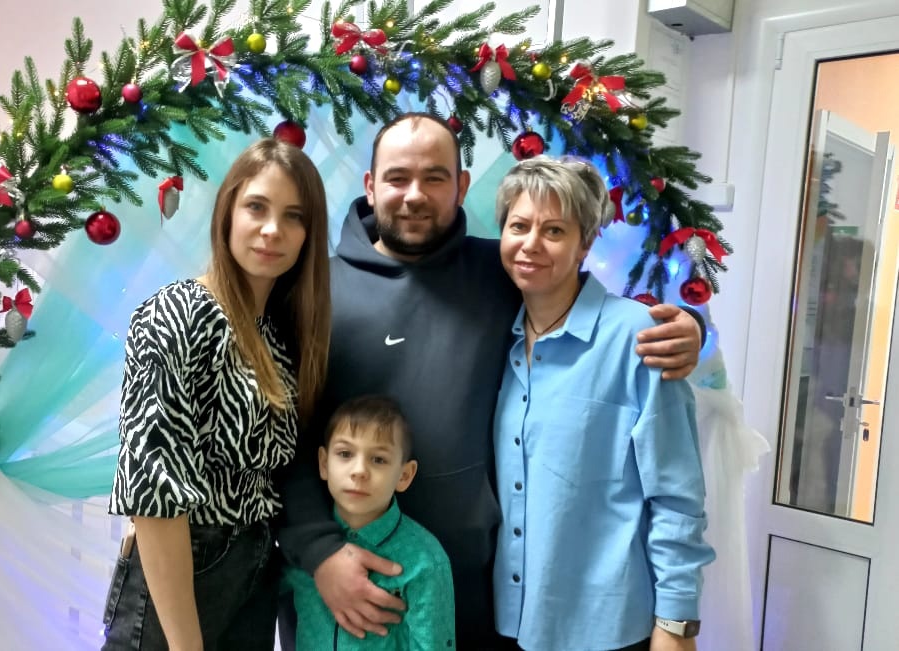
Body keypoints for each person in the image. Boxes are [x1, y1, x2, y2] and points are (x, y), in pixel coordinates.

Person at [277, 113, 704, 649]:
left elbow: (578, 299)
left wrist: (688, 327)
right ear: (370, 185)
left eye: (434, 178)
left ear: (461, 186)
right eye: (397, 177)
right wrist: (319, 553)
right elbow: (280, 441)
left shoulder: (502, 272)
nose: (414, 195)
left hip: (483, 598)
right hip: (346, 584)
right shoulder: (312, 291)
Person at [101, 137, 331, 651]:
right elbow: (154, 496)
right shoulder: (179, 313)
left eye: (294, 216)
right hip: (186, 564)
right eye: (257, 207)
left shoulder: (279, 333)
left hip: (256, 565)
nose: (272, 229)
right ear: (228, 212)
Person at [491, 157, 715, 651]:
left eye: (554, 230)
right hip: (510, 621)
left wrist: (676, 621)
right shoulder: (496, 334)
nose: (531, 244)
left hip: (607, 628)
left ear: (585, 243)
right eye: (519, 226)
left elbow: (677, 494)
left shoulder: (638, 338)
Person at [284, 395, 455, 650]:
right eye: (345, 454)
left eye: (378, 459)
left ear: (404, 475)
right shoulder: (298, 548)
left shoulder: (425, 561)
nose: (359, 471)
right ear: (324, 463)